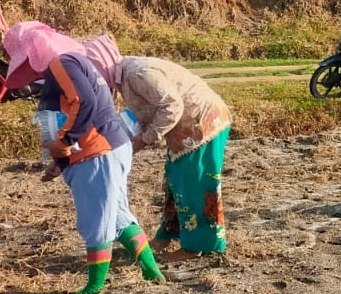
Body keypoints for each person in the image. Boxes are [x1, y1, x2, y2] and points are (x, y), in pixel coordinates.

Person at [4, 21, 164, 294]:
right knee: (116, 216)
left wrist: (66, 140)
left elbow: (83, 103)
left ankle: (93, 288)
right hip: (108, 148)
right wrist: (59, 162)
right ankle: (152, 272)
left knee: (95, 221)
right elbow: (70, 111)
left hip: (96, 153)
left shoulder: (62, 64)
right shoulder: (74, 62)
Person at [83, 37, 233, 259]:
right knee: (176, 179)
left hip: (201, 124)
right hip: (185, 128)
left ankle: (196, 247)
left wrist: (146, 138)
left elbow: (172, 106)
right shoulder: (126, 77)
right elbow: (147, 110)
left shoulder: (137, 74)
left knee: (196, 183)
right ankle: (168, 235)